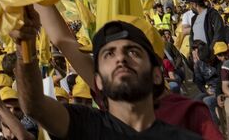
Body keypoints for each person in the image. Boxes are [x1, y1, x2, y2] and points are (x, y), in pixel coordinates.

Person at [13, 8, 202, 138]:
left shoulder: (190, 116)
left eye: (133, 52)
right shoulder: (88, 126)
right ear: (98, 81)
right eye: (108, 54)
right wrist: (24, 47)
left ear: (157, 73)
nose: (120, 59)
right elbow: (34, 105)